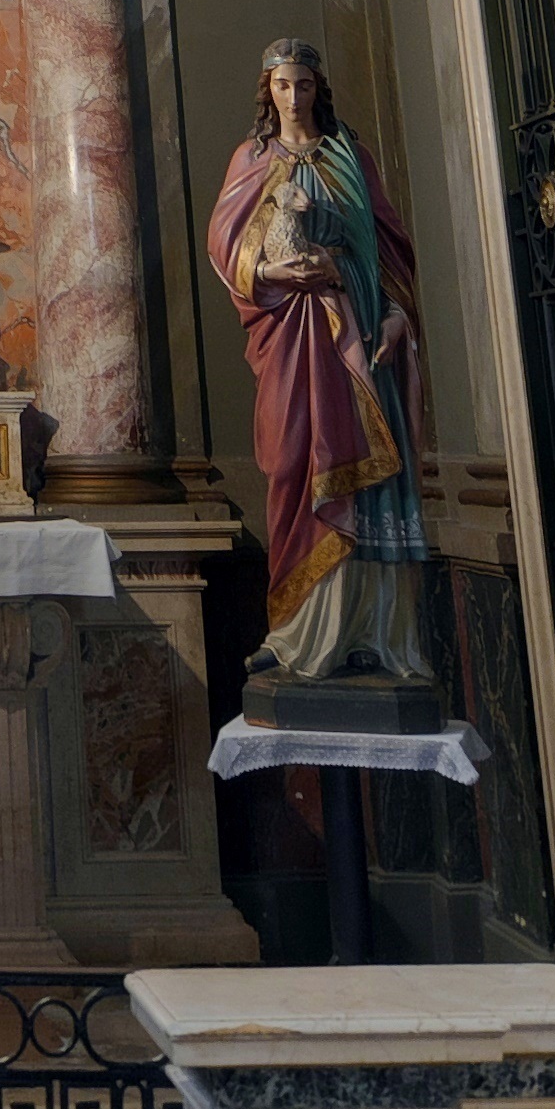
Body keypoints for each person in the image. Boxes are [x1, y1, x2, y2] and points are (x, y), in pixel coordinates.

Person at [206, 36, 430, 680]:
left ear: (317, 89)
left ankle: (374, 632)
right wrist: (275, 268)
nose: (294, 96)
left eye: (304, 85)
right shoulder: (251, 159)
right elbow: (227, 253)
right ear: (267, 92)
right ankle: (299, 632)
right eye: (282, 85)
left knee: (369, 472)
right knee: (295, 463)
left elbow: (388, 250)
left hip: (358, 335)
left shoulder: (349, 157)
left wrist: (394, 313)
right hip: (291, 338)